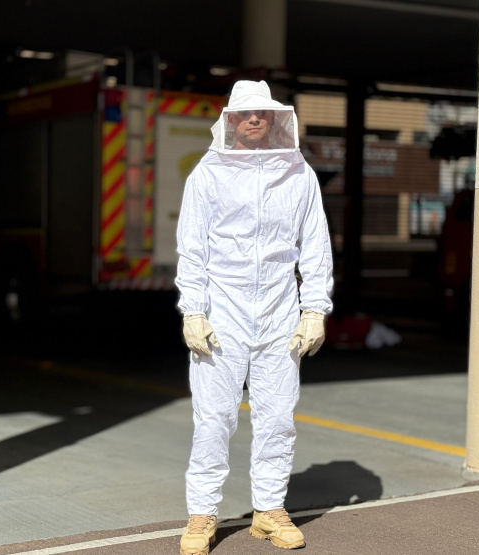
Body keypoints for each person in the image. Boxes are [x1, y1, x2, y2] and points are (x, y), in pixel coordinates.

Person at [176, 80, 333, 554]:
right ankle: (202, 516)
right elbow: (192, 249)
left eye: (262, 113)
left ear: (275, 118)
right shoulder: (207, 174)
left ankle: (269, 511)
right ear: (228, 121)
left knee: (277, 417)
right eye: (245, 114)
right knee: (213, 419)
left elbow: (315, 244)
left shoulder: (299, 174)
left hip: (279, 313)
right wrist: (194, 311)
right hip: (222, 312)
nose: (254, 120)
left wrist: (315, 308)